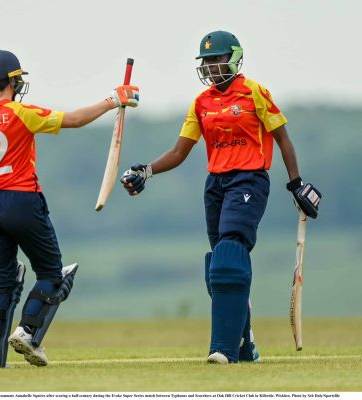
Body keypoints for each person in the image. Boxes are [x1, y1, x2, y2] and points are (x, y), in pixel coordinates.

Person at [0, 49, 139, 368]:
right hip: (21, 199)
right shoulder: (21, 112)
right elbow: (74, 120)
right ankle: (27, 332)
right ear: (10, 82)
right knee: (50, 272)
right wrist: (113, 100)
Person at [120, 31, 321, 364]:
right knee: (219, 267)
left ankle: (223, 350)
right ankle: (245, 345)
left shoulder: (255, 92)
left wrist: (296, 183)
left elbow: (282, 139)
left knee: (229, 253)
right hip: (216, 185)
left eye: (217, 59)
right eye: (207, 61)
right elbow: (179, 151)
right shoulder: (201, 103)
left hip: (250, 179)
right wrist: (147, 171)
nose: (212, 66)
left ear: (234, 58)